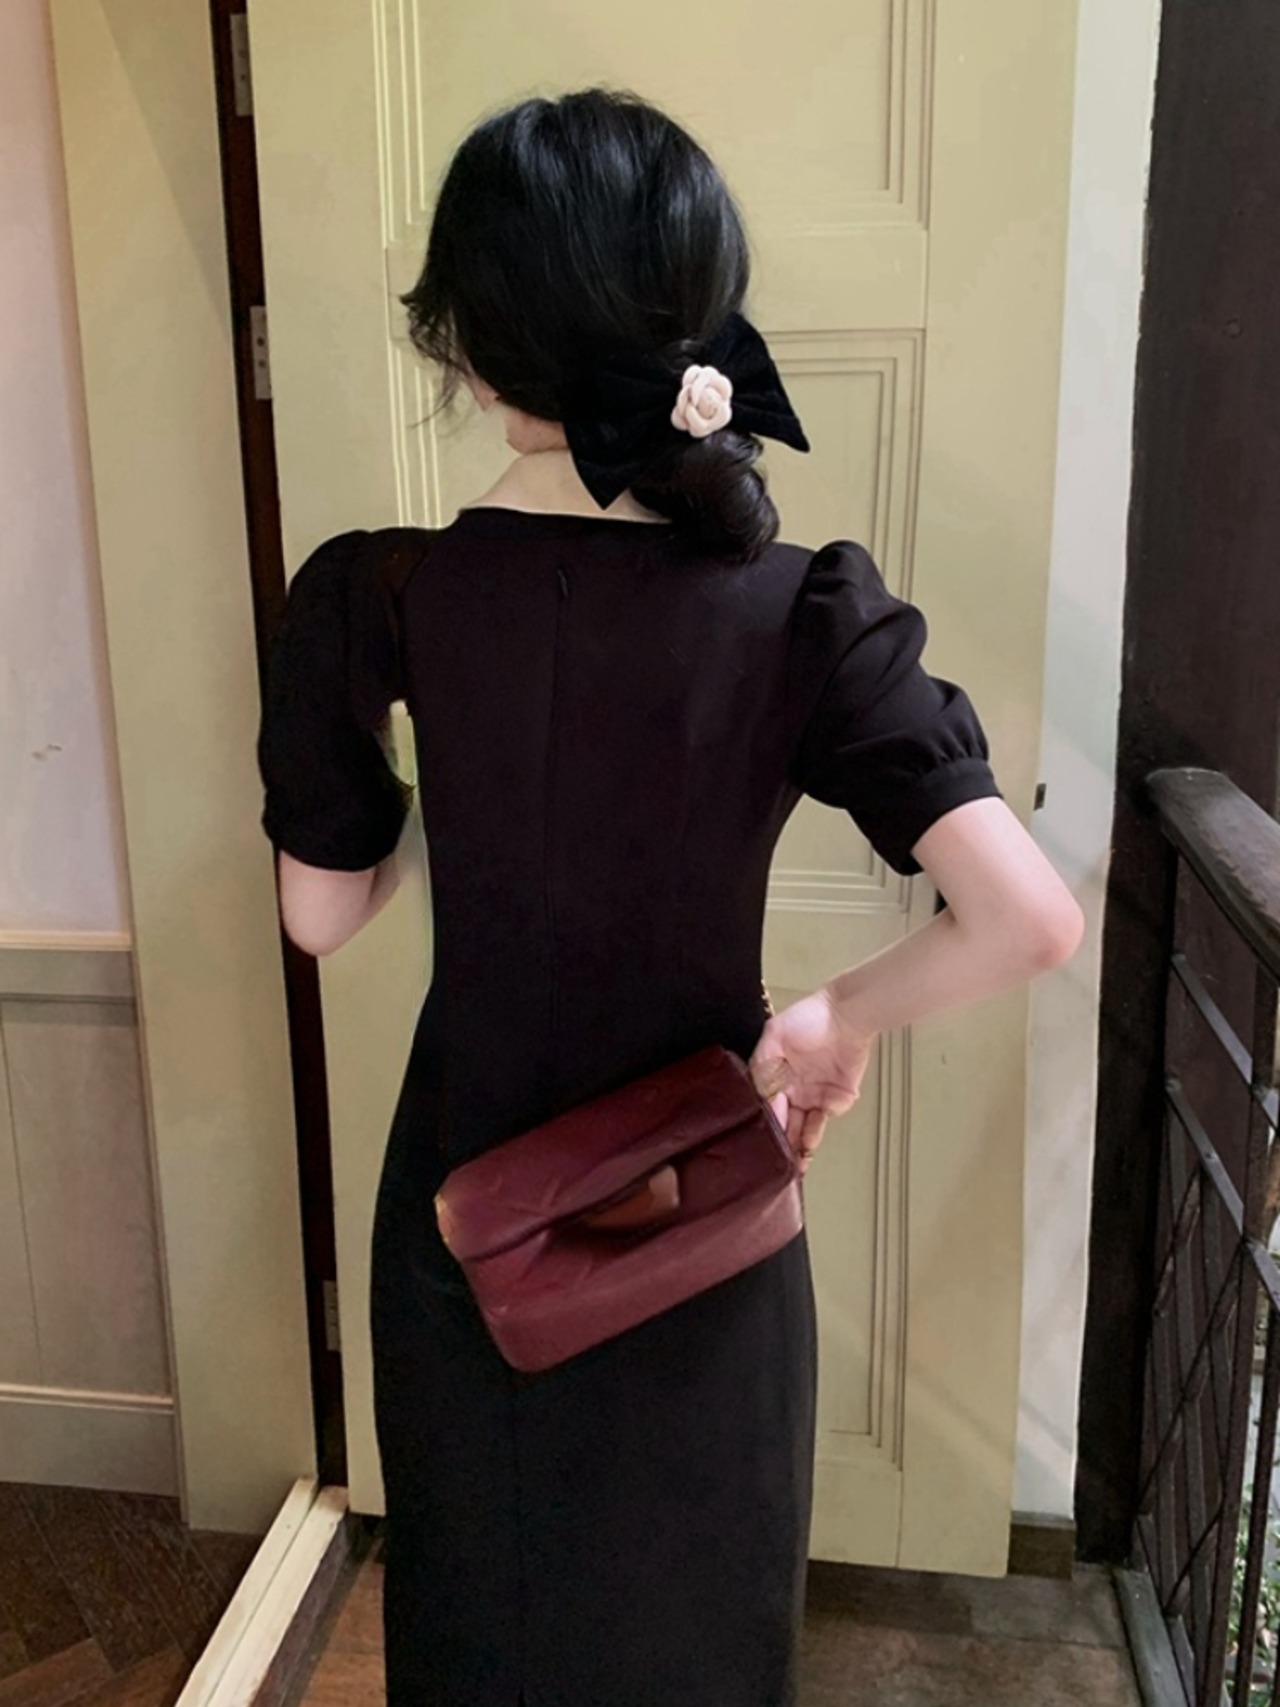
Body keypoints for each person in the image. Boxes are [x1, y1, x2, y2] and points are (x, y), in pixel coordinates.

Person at [257, 88, 1083, 1707]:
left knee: (482, 1627)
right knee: (697, 1637)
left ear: (473, 352)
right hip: (701, 1216)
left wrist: (444, 784)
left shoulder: (379, 592)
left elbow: (321, 917)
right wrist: (836, 1019)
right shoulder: (803, 612)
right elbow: (1028, 921)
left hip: (472, 1227)